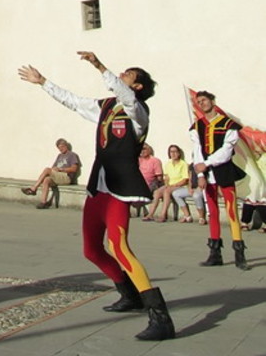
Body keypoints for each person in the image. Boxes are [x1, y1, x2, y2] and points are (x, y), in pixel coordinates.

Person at [18, 51, 175, 341]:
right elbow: (74, 102)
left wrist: (99, 65)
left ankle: (160, 316)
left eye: (127, 74)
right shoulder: (105, 107)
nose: (121, 76)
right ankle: (128, 294)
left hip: (119, 190)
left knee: (120, 247)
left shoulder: (137, 111)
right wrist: (43, 83)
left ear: (137, 86)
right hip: (98, 188)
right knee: (91, 249)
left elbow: (125, 96)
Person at [190, 89, 248, 269]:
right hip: (206, 173)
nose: (202, 104)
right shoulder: (196, 126)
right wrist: (200, 173)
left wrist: (207, 163)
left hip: (223, 171)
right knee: (212, 212)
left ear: (213, 101)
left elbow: (226, 150)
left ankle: (239, 253)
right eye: (199, 102)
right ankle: (215, 253)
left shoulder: (228, 124)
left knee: (232, 211)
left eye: (204, 100)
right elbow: (197, 150)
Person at [21, 138, 80, 208]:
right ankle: (43, 202)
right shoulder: (59, 156)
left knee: (47, 169)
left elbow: (74, 169)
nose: (60, 149)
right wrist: (54, 169)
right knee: (46, 180)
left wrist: (61, 169)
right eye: (59, 148)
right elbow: (52, 168)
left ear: (66, 146)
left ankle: (34, 188)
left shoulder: (72, 155)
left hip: (67, 177)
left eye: (62, 147)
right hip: (58, 176)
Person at [144, 145, 190, 222]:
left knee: (167, 191)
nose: (173, 154)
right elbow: (166, 177)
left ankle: (163, 215)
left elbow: (185, 179)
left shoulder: (183, 164)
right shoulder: (168, 164)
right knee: (157, 192)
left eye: (175, 152)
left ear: (179, 153)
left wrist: (174, 185)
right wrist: (167, 184)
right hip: (170, 185)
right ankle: (150, 214)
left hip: (179, 185)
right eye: (171, 152)